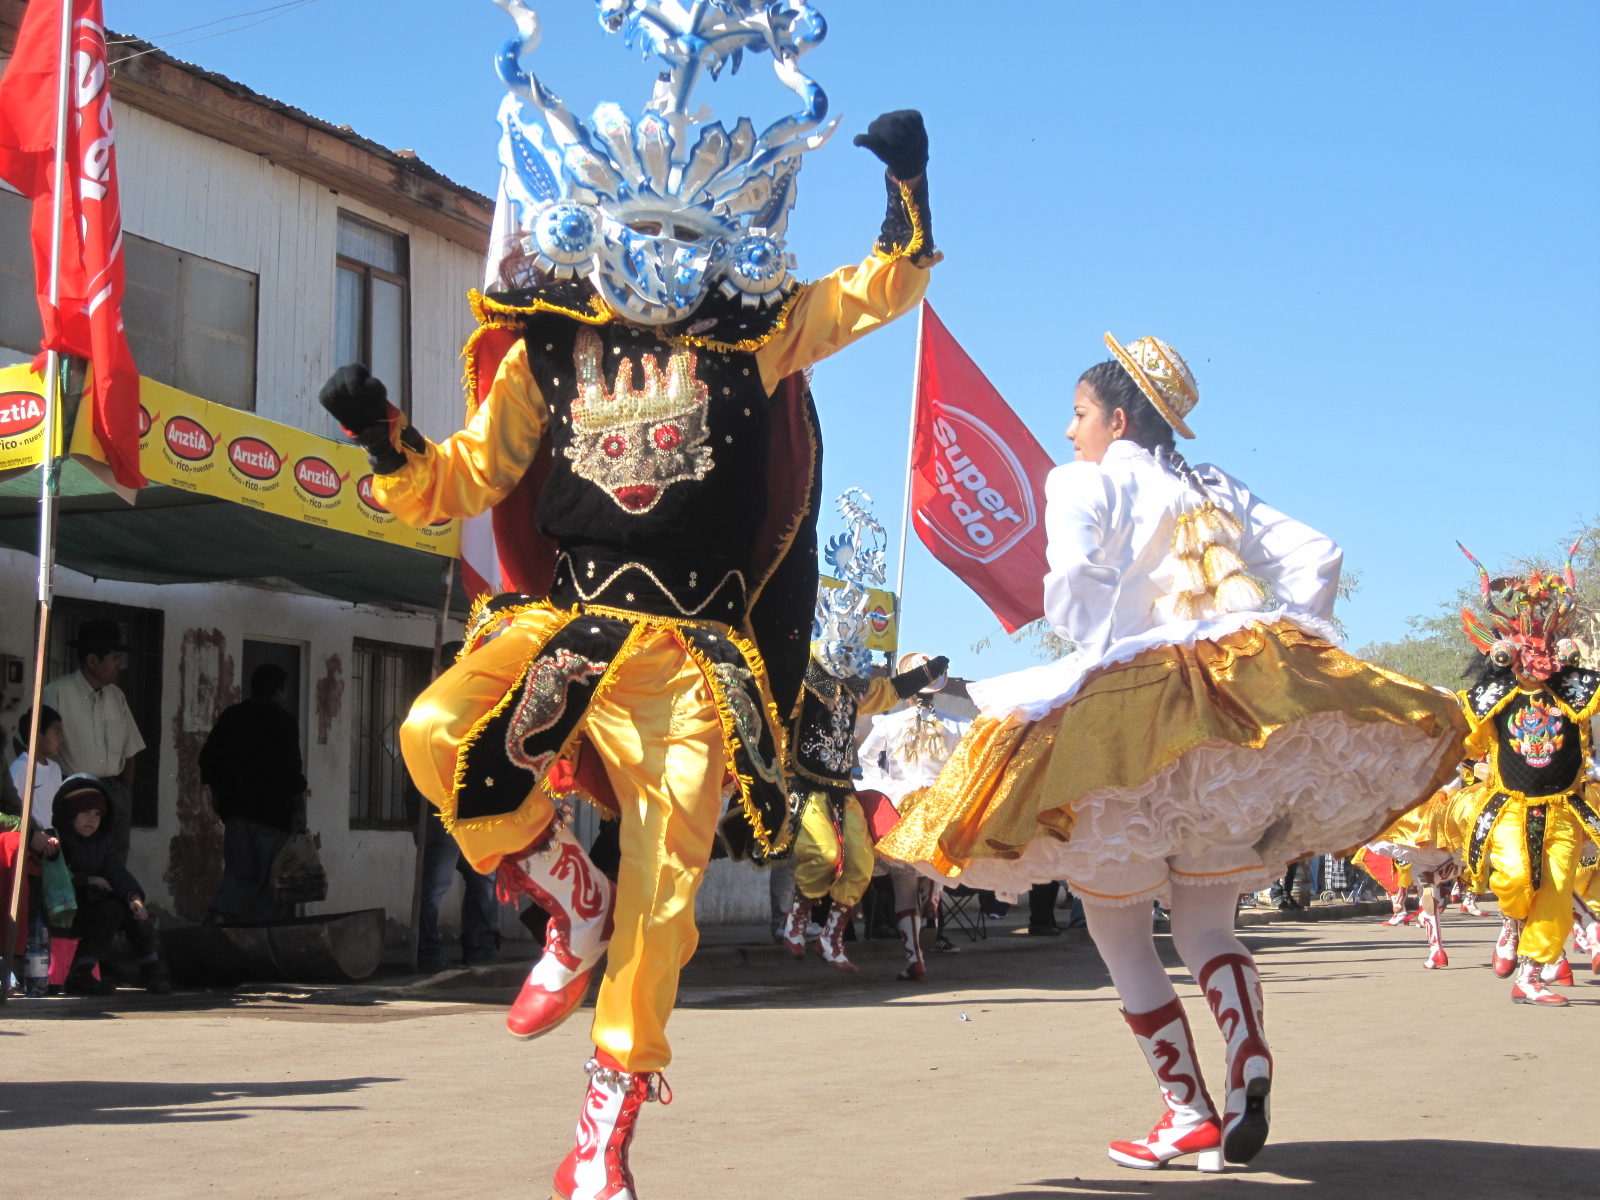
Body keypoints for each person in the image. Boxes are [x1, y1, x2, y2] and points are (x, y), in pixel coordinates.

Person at [316, 6, 938, 1196]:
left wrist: (907, 184)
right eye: (632, 227)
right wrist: (384, 436)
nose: (657, 251)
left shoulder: (753, 337)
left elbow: (884, 286)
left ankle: (605, 1130)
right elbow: (459, 483)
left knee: (670, 895)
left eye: (679, 231)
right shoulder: (549, 351)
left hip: (693, 660)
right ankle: (565, 889)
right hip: (569, 630)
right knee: (432, 734)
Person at [880, 334, 1465, 1171]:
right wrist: (1287, 646)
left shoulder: (1087, 477)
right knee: (1202, 921)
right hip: (1224, 727)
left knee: (1117, 929)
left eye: (1079, 412)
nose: (1069, 428)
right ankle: (1247, 1055)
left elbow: (1077, 590)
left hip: (1125, 720)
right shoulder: (1214, 484)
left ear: (1116, 419)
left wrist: (1087, 643)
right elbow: (1318, 556)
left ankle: (1186, 1109)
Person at [775, 493, 949, 973]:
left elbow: (890, 690)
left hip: (839, 786)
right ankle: (796, 919)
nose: (853, 646)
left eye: (859, 638)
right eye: (845, 635)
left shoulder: (855, 686)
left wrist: (927, 672)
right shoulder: (804, 673)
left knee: (860, 863)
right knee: (824, 854)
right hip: (804, 783)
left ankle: (831, 938)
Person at [1441, 548, 1600, 1006]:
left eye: (1545, 648)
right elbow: (1464, 745)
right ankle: (1510, 922)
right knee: (1512, 878)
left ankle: (1532, 975)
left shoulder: (1579, 694)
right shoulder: (1491, 699)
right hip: (1511, 807)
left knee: (1556, 887)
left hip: (1566, 809)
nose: (1538, 655)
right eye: (1526, 648)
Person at [858, 651, 969, 978]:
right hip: (941, 806)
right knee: (942, 858)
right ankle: (934, 891)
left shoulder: (890, 722)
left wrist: (884, 786)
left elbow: (866, 756)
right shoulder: (956, 724)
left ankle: (914, 958)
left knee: (903, 885)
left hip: (903, 806)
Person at [199, 663, 307, 924]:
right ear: (278, 690)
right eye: (285, 688)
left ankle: (220, 916)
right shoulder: (284, 721)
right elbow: (292, 771)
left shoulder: (231, 716)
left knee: (238, 873)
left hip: (236, 815)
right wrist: (299, 812)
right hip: (274, 816)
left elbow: (208, 759)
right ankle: (263, 935)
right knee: (272, 879)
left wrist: (218, 797)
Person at [51, 775, 170, 995]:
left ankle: (152, 971)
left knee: (132, 910)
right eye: (85, 811)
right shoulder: (57, 841)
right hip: (65, 910)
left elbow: (116, 871)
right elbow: (54, 878)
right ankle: (81, 973)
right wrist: (86, 880)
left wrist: (134, 897)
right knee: (111, 908)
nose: (92, 819)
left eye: (97, 814)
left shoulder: (102, 842)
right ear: (69, 812)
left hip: (93, 908)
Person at [41, 619, 145, 862]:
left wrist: (124, 795)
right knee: (75, 860)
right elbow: (29, 743)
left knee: (115, 860)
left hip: (113, 791)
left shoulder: (117, 697)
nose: (119, 665)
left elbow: (131, 751)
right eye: (115, 658)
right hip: (72, 790)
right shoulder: (56, 693)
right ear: (92, 660)